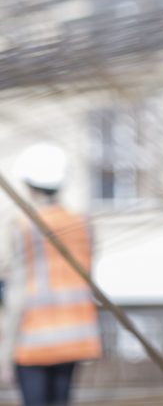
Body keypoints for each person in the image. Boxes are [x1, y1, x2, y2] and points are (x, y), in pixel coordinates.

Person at [0, 143, 102, 406]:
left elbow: (17, 294)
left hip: (35, 340)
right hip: (75, 336)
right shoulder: (83, 225)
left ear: (29, 184)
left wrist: (5, 352)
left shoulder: (25, 227)